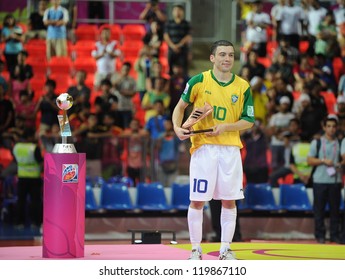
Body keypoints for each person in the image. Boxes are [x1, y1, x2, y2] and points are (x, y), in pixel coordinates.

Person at [172, 40, 255, 260]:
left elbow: (248, 120)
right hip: (204, 148)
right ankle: (195, 249)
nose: (227, 59)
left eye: (231, 55)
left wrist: (226, 127)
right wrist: (176, 128)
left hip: (230, 150)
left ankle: (225, 248)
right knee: (198, 200)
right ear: (212, 58)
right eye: (222, 55)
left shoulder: (243, 86)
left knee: (229, 200)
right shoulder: (199, 81)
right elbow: (180, 108)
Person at [307, 115, 343, 244]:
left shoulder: (339, 143)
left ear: (337, 128)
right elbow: (309, 160)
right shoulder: (317, 142)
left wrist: (339, 163)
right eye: (328, 126)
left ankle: (334, 235)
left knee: (335, 211)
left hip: (335, 181)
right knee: (319, 211)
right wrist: (322, 161)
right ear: (324, 127)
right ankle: (320, 235)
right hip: (319, 181)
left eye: (334, 126)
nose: (331, 129)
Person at [12, 127, 43, 229]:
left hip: (21, 177)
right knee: (35, 201)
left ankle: (19, 222)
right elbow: (40, 161)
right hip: (34, 178)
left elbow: (16, 160)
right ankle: (36, 223)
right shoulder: (34, 148)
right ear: (30, 136)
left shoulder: (16, 147)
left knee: (21, 200)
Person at [163, 4, 192, 76]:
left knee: (184, 70)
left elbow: (188, 36)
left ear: (182, 12)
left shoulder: (186, 24)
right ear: (172, 12)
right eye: (175, 10)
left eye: (179, 10)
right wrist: (173, 46)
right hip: (171, 50)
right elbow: (166, 36)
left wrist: (179, 45)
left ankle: (185, 85)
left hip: (183, 50)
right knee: (170, 69)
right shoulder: (169, 23)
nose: (177, 12)